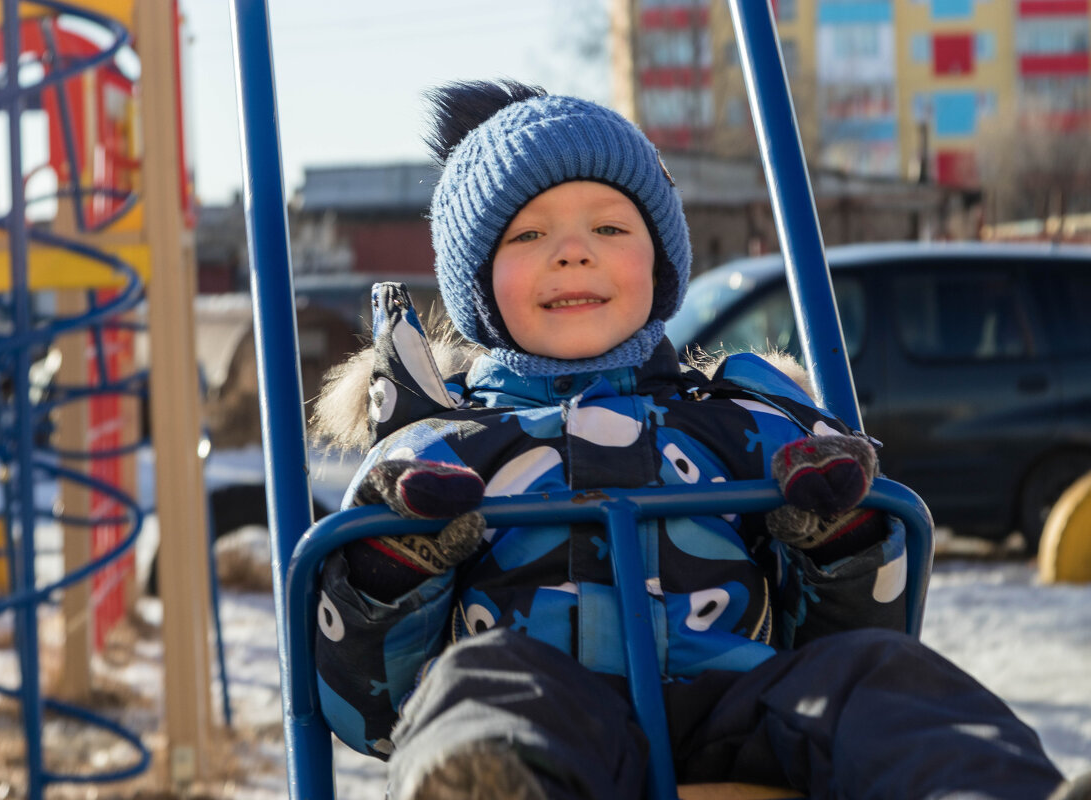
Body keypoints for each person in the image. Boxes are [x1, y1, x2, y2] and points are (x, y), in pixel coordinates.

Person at [309, 80, 1078, 800]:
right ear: (477, 284)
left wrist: (837, 539)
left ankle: (987, 784)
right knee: (480, 684)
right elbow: (371, 711)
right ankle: (484, 782)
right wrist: (394, 561)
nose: (572, 251)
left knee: (875, 674)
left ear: (661, 263)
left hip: (742, 711)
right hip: (554, 736)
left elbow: (844, 629)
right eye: (529, 234)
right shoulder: (448, 449)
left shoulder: (748, 422)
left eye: (609, 227)